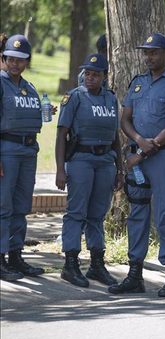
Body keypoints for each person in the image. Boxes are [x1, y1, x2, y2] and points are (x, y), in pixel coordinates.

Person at [108, 33, 165, 297]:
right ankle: (134, 275)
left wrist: (144, 150)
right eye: (146, 52)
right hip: (137, 156)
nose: (149, 57)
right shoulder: (138, 83)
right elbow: (125, 119)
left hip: (161, 159)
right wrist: (138, 140)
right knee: (138, 215)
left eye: (154, 52)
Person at [55, 53, 124, 287]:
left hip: (105, 161)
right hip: (81, 160)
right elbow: (61, 134)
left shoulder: (110, 100)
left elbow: (115, 137)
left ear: (105, 76)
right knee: (76, 212)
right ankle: (70, 265)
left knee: (97, 214)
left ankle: (96, 265)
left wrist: (120, 170)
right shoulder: (74, 97)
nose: (90, 78)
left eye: (95, 74)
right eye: (87, 74)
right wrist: (60, 170)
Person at [1, 35, 57, 281]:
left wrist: (46, 110)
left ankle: (16, 256)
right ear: (4, 58)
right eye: (11, 59)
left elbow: (30, 115)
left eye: (20, 60)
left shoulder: (29, 87)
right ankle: (1, 258)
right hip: (7, 151)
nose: (15, 63)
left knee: (21, 207)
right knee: (3, 206)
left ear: (27, 62)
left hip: (28, 151)